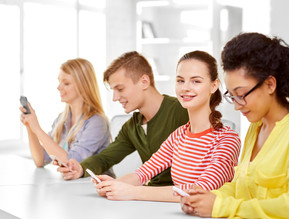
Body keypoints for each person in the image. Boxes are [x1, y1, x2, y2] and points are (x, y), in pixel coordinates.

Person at [179, 32, 289, 219]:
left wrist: (220, 207)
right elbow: (241, 188)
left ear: (270, 84)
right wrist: (205, 198)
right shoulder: (255, 128)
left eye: (242, 94)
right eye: (232, 96)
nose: (237, 105)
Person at [94, 50, 241, 202]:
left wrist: (133, 192)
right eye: (180, 80)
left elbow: (200, 190)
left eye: (196, 81)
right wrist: (113, 185)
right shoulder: (178, 136)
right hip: (177, 218)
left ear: (213, 86)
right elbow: (143, 173)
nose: (185, 88)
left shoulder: (227, 139)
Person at [58, 51, 189, 186]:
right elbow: (106, 157)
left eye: (120, 89)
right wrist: (81, 168)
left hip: (179, 199)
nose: (115, 98)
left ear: (144, 82)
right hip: (150, 199)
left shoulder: (183, 112)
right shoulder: (132, 126)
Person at [20, 58, 111, 170]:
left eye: (66, 83)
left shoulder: (97, 122)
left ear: (83, 86)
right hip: (72, 186)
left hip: (95, 186)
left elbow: (71, 163)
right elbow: (41, 159)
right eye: (59, 81)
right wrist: (30, 127)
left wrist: (37, 128)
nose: (59, 87)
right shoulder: (61, 120)